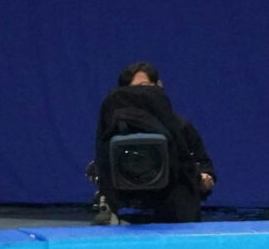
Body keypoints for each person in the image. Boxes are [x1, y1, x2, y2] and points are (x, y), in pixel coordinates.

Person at [91, 62, 216, 224]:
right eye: (133, 90)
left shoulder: (181, 127)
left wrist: (204, 179)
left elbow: (204, 165)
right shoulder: (113, 132)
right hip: (126, 215)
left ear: (159, 86)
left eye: (145, 88)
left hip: (177, 216)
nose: (140, 96)